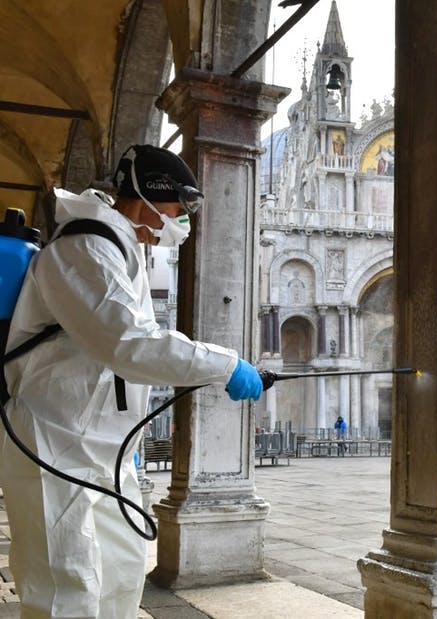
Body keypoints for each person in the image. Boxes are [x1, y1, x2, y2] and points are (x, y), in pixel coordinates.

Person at [0, 144, 264, 618]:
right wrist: (225, 364)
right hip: (54, 440)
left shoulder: (121, 248)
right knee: (64, 585)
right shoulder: (83, 248)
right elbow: (129, 343)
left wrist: (131, 433)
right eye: (176, 210)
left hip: (103, 446)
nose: (181, 222)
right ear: (144, 198)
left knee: (120, 574)